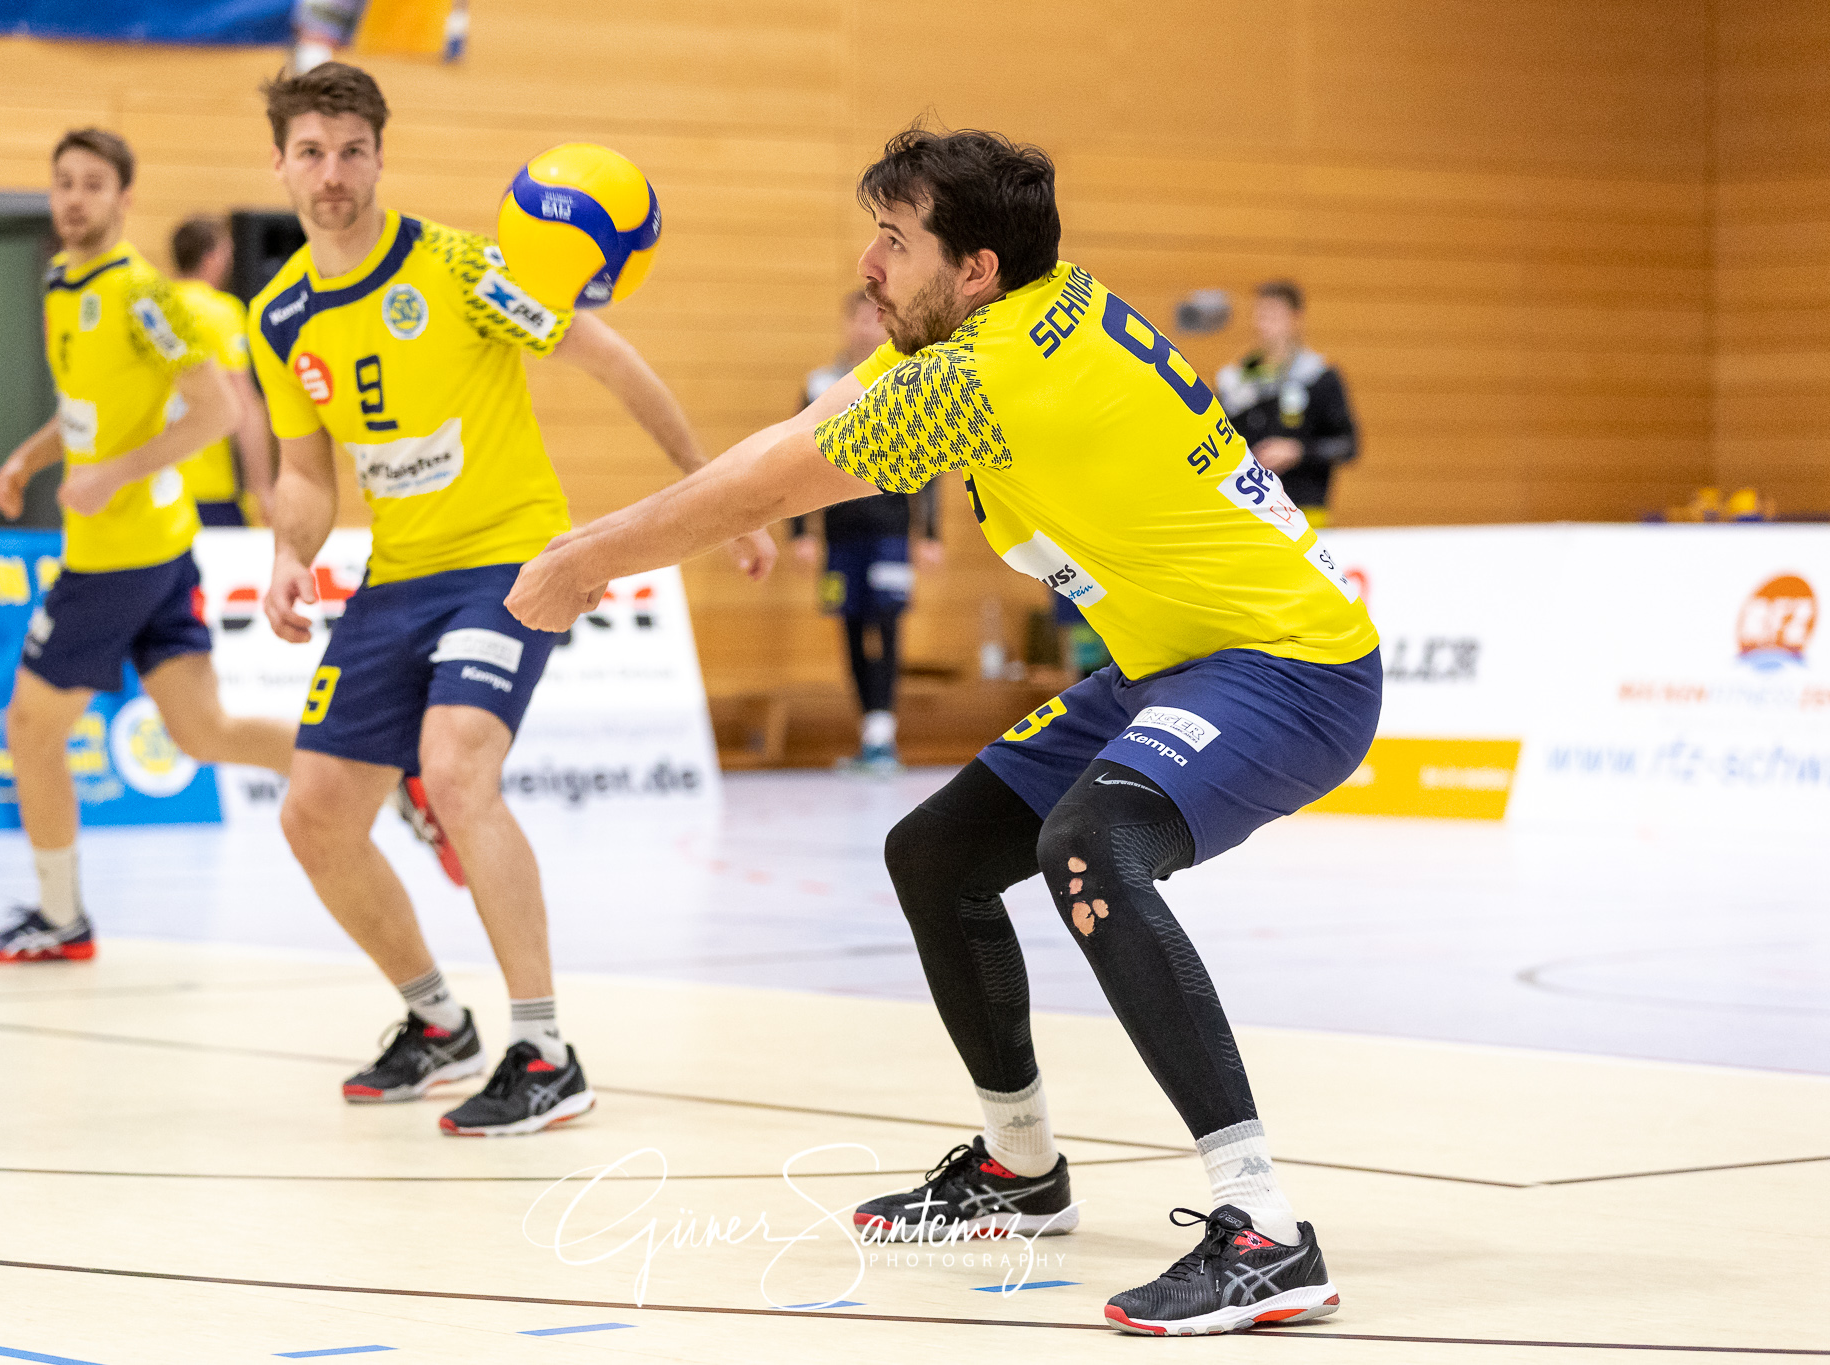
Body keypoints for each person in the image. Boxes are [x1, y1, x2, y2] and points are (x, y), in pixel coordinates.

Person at [507, 128, 1380, 1335]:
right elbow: (793, 437)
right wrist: (617, 538)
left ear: (972, 267)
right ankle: (1018, 1169)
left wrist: (579, 560)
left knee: (1090, 846)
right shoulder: (1029, 309)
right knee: (936, 855)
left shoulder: (982, 375)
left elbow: (771, 485)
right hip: (1170, 663)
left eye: (892, 240)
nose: (867, 262)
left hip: (1291, 669)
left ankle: (1264, 1231)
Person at [250, 63, 777, 1136]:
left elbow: (613, 363)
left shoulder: (459, 268)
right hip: (394, 576)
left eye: (352, 150)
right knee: (314, 814)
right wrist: (286, 552)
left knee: (453, 771)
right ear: (281, 164)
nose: (333, 172)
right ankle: (434, 1021)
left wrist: (722, 500)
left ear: (380, 157)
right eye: (311, 151)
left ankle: (542, 1049)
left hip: (508, 563)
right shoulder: (277, 315)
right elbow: (306, 471)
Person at [0, 129, 299, 963]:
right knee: (205, 731)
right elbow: (90, 413)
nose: (74, 198)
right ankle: (381, 762)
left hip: (120, 553)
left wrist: (112, 476)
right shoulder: (59, 280)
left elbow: (216, 412)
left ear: (125, 199)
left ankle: (60, 918)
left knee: (30, 728)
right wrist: (29, 459)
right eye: (63, 183)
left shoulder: (144, 297)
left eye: (93, 184)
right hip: (155, 548)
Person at [789, 290, 942, 771]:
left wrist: (931, 533)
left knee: (889, 622)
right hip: (840, 533)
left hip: (891, 531)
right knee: (851, 627)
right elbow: (793, 457)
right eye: (859, 318)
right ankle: (869, 734)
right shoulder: (819, 385)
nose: (868, 328)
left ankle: (883, 734)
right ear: (848, 323)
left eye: (876, 319)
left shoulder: (909, 378)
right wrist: (800, 532)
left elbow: (933, 456)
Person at [1215, 280, 1359, 525]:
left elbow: (1347, 445)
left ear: (1296, 318)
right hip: (1250, 515)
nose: (1263, 324)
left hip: (1305, 513)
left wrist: (1298, 451)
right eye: (1260, 314)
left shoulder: (1319, 377)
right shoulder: (1234, 380)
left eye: (1273, 315)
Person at [169, 216, 277, 527]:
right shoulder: (220, 313)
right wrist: (262, 489)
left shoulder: (153, 306)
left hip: (154, 488)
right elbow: (244, 405)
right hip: (209, 492)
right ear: (213, 257)